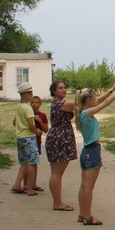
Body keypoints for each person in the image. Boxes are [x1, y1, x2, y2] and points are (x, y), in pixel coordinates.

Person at [74, 78, 115, 225]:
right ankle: (88, 217)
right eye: (94, 97)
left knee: (84, 186)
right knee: (89, 187)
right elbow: (105, 103)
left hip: (86, 152)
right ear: (89, 100)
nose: (96, 99)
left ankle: (82, 214)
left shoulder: (82, 112)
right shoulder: (88, 113)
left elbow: (99, 101)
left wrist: (112, 88)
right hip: (92, 151)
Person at [45, 81, 77, 212]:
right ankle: (57, 203)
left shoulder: (58, 103)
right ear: (54, 91)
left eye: (65, 87)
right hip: (60, 139)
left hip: (58, 138)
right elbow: (85, 103)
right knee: (56, 173)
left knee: (56, 173)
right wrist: (111, 92)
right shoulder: (61, 104)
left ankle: (57, 202)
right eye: (60, 88)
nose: (64, 90)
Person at [11, 82, 43, 196]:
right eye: (30, 92)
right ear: (25, 94)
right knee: (31, 162)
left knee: (24, 163)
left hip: (20, 137)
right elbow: (31, 124)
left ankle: (17, 183)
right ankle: (29, 188)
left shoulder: (18, 107)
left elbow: (14, 122)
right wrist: (37, 132)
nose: (31, 94)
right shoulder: (27, 108)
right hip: (29, 137)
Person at [29, 95, 49, 194]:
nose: (34, 104)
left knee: (35, 163)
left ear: (40, 104)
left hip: (37, 141)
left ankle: (33, 183)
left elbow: (46, 129)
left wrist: (40, 121)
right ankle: (28, 185)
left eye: (36, 102)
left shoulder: (42, 115)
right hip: (29, 140)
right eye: (32, 102)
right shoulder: (28, 114)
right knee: (29, 164)